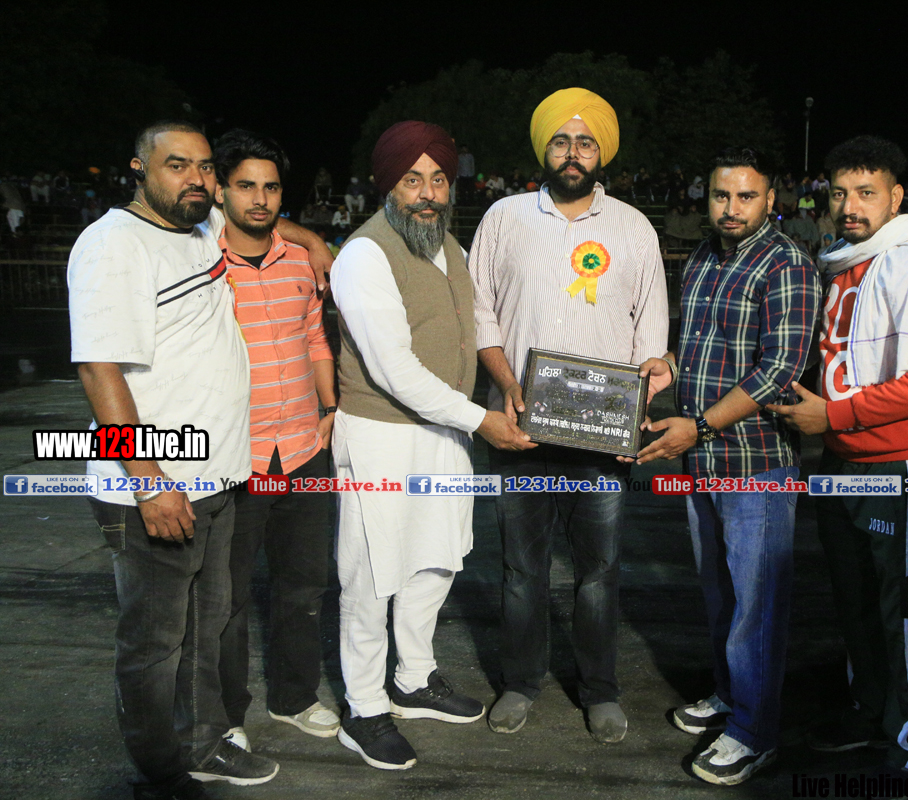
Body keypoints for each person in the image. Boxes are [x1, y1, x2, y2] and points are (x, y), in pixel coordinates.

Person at [68, 120, 280, 799]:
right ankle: (157, 774)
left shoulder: (196, 228)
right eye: (177, 164)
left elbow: (265, 221)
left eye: (205, 166)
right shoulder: (113, 245)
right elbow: (98, 369)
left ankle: (202, 745)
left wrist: (310, 242)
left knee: (204, 628)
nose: (196, 178)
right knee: (154, 643)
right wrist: (149, 483)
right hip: (156, 487)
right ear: (139, 168)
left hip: (215, 479)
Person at [330, 120, 533, 771]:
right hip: (382, 435)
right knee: (371, 576)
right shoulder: (365, 255)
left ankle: (413, 680)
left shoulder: (450, 246)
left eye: (438, 179)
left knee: (437, 560)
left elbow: (476, 328)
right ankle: (364, 708)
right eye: (411, 179)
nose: (426, 192)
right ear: (387, 184)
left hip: (445, 431)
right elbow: (392, 368)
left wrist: (503, 396)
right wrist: (481, 420)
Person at [470, 87, 669, 744]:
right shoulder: (502, 218)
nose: (573, 152)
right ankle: (520, 682)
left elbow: (650, 334)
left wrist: (636, 411)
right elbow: (481, 313)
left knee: (599, 574)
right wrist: (507, 384)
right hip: (520, 428)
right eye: (562, 140)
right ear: (544, 149)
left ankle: (600, 690)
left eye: (585, 142)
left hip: (602, 437)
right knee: (522, 570)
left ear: (601, 152)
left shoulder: (633, 228)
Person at [770, 136, 908, 782]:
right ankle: (869, 711)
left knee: (902, 610)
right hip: (839, 460)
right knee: (853, 600)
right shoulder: (842, 258)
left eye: (866, 193)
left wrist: (831, 416)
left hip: (899, 464)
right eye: (840, 193)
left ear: (896, 197)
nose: (850, 206)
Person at [634, 146, 820, 786]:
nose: (732, 208)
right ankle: (731, 693)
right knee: (721, 594)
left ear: (770, 199)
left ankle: (754, 732)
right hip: (703, 458)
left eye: (746, 196)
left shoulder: (788, 263)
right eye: (721, 195)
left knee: (756, 606)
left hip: (755, 462)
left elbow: (778, 371)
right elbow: (701, 342)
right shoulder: (704, 258)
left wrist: (701, 425)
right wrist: (669, 365)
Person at [210, 130, 341, 755]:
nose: (259, 200)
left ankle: (294, 698)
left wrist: (330, 407)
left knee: (304, 585)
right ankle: (225, 714)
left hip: (304, 449)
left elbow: (315, 337)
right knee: (228, 597)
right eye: (245, 186)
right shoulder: (199, 261)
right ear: (220, 190)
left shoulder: (298, 262)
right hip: (236, 455)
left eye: (270, 187)